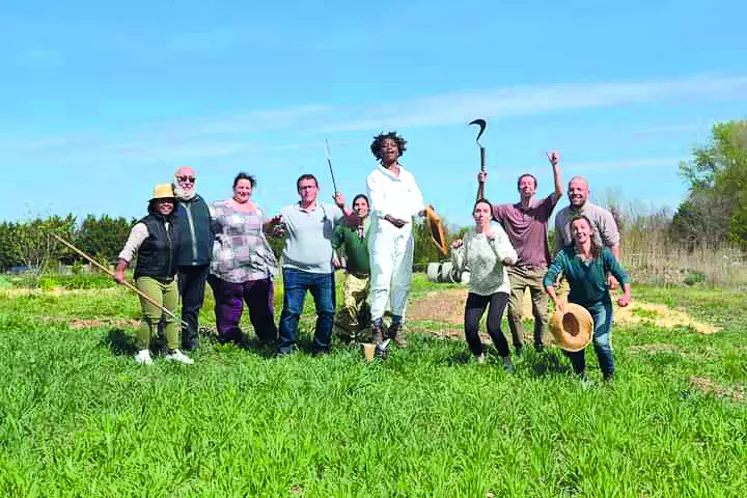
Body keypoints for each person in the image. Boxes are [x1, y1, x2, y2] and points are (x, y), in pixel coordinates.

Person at [478, 151, 563, 354]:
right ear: (518, 188)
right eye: (523, 184)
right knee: (514, 312)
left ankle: (540, 347)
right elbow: (482, 208)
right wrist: (481, 184)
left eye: (529, 184)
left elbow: (559, 192)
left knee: (541, 314)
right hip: (514, 270)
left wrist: (555, 165)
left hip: (539, 269)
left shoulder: (543, 208)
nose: (526, 186)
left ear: (535, 189)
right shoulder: (508, 210)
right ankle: (518, 348)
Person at [543, 215, 631, 382]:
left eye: (583, 227)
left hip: (600, 305)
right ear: (571, 234)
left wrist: (626, 294)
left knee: (601, 341)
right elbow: (548, 278)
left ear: (590, 231)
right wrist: (556, 299)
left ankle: (609, 379)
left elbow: (622, 275)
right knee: (575, 344)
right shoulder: (565, 256)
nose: (579, 231)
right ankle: (581, 378)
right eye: (575, 229)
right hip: (577, 307)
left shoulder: (603, 254)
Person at [114, 183, 193, 365]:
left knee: (172, 316)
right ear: (154, 203)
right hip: (148, 276)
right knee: (152, 315)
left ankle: (172, 351)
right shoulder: (144, 226)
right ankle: (142, 351)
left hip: (170, 278)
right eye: (162, 201)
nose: (166, 204)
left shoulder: (175, 225)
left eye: (169, 201)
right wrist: (120, 270)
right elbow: (129, 249)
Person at [275, 174, 351, 355]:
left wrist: (343, 206)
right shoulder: (288, 211)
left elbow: (353, 222)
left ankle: (321, 348)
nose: (307, 190)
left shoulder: (330, 210)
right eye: (303, 187)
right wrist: (273, 226)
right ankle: (284, 350)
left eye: (310, 187)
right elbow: (272, 230)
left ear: (317, 189)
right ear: (298, 191)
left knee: (327, 311)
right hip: (294, 270)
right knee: (291, 311)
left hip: (323, 271)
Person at [366, 131, 425, 352]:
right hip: (383, 232)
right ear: (378, 151)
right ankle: (377, 326)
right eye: (384, 146)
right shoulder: (374, 176)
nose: (389, 149)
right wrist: (391, 219)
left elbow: (416, 203)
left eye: (393, 145)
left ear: (399, 149)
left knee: (402, 279)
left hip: (405, 233)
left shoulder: (408, 176)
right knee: (381, 278)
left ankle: (398, 324)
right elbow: (377, 205)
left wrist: (426, 212)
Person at [208, 173, 280, 346]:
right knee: (229, 304)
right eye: (241, 187)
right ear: (234, 188)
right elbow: (204, 226)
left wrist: (273, 226)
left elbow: (263, 230)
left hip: (257, 265)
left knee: (262, 304)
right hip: (229, 266)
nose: (244, 190)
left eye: (247, 188)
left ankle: (268, 338)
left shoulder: (257, 209)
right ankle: (230, 338)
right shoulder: (219, 207)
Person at [451, 199, 518, 369]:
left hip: (498, 287)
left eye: (485, 211)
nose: (481, 214)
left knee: (493, 327)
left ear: (490, 215)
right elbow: (460, 266)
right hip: (477, 288)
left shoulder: (498, 232)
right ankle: (479, 357)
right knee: (470, 328)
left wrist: (494, 242)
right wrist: (455, 251)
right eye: (477, 211)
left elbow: (510, 258)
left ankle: (506, 359)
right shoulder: (469, 235)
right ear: (473, 215)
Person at [171, 166, 213, 351]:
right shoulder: (169, 203)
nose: (187, 182)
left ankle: (190, 340)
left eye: (191, 179)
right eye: (183, 178)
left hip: (201, 263)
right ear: (175, 180)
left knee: (193, 305)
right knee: (170, 304)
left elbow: (210, 228)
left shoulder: (200, 202)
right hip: (176, 265)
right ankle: (167, 341)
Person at [554, 176, 621, 287]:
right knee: (565, 304)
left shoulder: (601, 215)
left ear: (587, 193)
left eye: (579, 189)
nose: (575, 193)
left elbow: (613, 245)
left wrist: (613, 274)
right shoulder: (561, 216)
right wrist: (555, 274)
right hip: (570, 273)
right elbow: (559, 247)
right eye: (571, 190)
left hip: (597, 271)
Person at [332, 194, 372, 342]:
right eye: (356, 204)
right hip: (354, 274)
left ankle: (370, 335)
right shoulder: (344, 224)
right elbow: (333, 243)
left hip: (373, 275)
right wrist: (334, 255)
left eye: (363, 204)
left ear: (368, 207)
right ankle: (349, 336)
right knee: (349, 305)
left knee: (371, 305)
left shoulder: (375, 224)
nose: (360, 207)